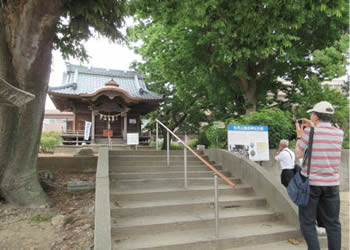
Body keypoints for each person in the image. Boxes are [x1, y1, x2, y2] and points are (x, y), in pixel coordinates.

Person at [295, 101, 344, 250]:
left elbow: (298, 154)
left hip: (311, 184)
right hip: (332, 184)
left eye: (312, 114)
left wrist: (299, 136)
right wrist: (313, 125)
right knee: (333, 223)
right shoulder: (340, 133)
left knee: (308, 222)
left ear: (315, 116)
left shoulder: (309, 133)